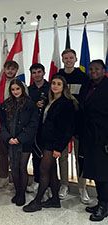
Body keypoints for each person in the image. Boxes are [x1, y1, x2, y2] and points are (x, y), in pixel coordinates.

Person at [23, 75, 77, 212]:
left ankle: (37, 200)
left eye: (59, 84)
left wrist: (59, 147)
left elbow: (67, 129)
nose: (55, 86)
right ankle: (55, 200)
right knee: (52, 171)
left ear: (64, 87)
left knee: (43, 170)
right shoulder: (49, 100)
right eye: (53, 83)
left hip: (54, 144)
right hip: (45, 141)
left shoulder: (67, 103)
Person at [56, 49, 90, 204]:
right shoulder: (57, 76)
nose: (68, 60)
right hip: (62, 124)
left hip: (78, 123)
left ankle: (82, 187)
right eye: (65, 58)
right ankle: (64, 184)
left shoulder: (83, 77)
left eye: (71, 58)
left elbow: (85, 101)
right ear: (62, 60)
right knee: (62, 156)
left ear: (76, 59)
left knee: (79, 156)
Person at [0, 79, 38, 206]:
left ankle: (22, 194)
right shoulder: (6, 104)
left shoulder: (30, 104)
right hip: (10, 141)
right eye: (13, 89)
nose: (15, 91)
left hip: (24, 142)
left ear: (22, 89)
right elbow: (2, 124)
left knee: (22, 167)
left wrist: (20, 138)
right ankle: (17, 191)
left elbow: (33, 125)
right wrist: (8, 137)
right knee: (14, 168)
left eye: (18, 89)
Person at [79, 60, 108, 222]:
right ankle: (101, 201)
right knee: (96, 172)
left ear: (104, 70)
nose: (93, 71)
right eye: (91, 69)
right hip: (89, 136)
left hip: (103, 137)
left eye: (97, 69)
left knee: (104, 173)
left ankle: (105, 205)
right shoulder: (88, 85)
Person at [0, 60, 21, 189]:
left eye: (13, 69)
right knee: (3, 152)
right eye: (8, 69)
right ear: (4, 70)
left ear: (16, 70)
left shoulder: (20, 84)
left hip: (16, 123)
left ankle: (15, 178)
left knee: (15, 153)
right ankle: (3, 177)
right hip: (2, 122)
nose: (10, 71)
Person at [27, 63, 50, 193]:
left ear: (44, 72)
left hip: (47, 128)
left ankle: (50, 184)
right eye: (34, 72)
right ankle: (37, 180)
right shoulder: (29, 90)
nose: (37, 75)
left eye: (39, 72)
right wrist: (35, 106)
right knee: (36, 155)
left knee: (48, 157)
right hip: (34, 127)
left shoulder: (50, 87)